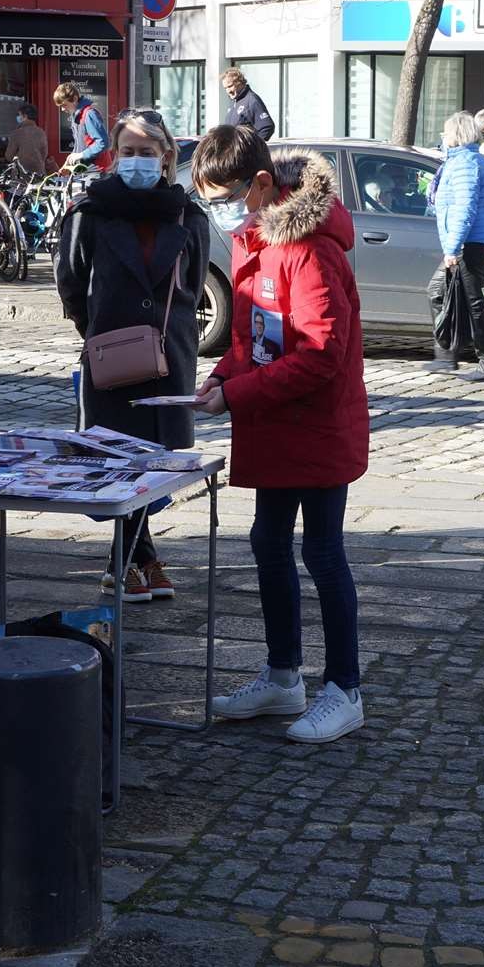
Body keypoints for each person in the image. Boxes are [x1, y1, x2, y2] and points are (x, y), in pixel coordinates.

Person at [189, 125, 370, 744]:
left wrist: (236, 394)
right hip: (275, 426)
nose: (223, 210)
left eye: (227, 196)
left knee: (322, 553)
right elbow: (250, 338)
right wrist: (219, 378)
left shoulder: (311, 250)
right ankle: (283, 673)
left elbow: (320, 354)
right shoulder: (255, 240)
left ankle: (344, 688)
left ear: (262, 184)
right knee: (268, 543)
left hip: (315, 429)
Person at [55, 108, 210, 603]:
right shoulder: (90, 211)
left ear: (166, 157)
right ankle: (138, 561)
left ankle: (130, 562)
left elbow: (194, 283)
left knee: (152, 467)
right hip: (110, 358)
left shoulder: (189, 213)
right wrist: (98, 331)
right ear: (113, 154)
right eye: (128, 152)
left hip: (168, 359)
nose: (137, 161)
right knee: (115, 465)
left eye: (147, 152)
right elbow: (71, 281)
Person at [425, 110, 484, 379]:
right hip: (476, 240)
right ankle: (447, 353)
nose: (443, 137)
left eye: (446, 132)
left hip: (468, 242)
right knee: (439, 291)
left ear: (455, 134)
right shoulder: (473, 161)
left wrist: (452, 248)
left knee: (473, 302)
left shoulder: (465, 163)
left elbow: (465, 208)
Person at [55, 82, 113, 171]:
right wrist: (68, 164)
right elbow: (80, 146)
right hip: (87, 171)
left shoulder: (89, 114)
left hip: (99, 171)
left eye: (64, 105)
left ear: (74, 99)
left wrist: (80, 155)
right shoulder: (76, 117)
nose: (62, 109)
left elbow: (103, 143)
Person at [221, 69, 276, 141]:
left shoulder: (252, 100)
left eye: (230, 86)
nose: (228, 91)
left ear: (240, 82)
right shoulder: (236, 101)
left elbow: (267, 127)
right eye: (225, 88)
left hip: (243, 151)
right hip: (232, 150)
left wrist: (252, 148)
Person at [5, 102, 50, 174]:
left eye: (19, 115)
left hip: (21, 174)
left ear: (25, 116)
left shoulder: (16, 133)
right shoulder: (41, 132)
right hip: (38, 172)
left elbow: (9, 156)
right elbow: (44, 154)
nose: (18, 117)